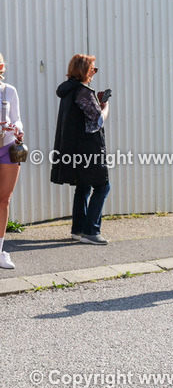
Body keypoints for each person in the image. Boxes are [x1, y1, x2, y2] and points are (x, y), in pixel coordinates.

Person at [51, 54, 112, 245]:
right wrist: (105, 106)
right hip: (88, 149)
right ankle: (91, 231)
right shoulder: (83, 92)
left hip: (75, 149)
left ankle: (78, 230)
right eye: (93, 68)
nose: (94, 72)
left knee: (83, 187)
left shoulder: (68, 90)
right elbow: (97, 119)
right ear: (83, 70)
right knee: (102, 187)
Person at [0, 53, 24, 269]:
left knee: (4, 199)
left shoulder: (9, 90)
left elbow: (16, 118)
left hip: (7, 147)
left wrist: (17, 129)